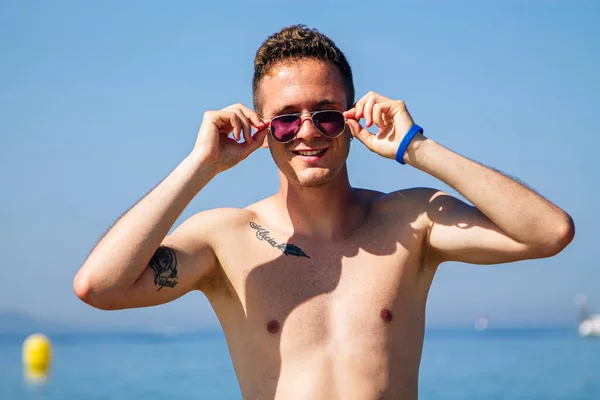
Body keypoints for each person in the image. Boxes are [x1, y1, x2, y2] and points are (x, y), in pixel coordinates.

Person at [73, 25, 575, 399]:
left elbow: (549, 233)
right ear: (263, 128)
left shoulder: (412, 223)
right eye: (287, 121)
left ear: (353, 120)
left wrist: (416, 147)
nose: (308, 132)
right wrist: (200, 165)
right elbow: (99, 287)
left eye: (327, 114)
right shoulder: (224, 240)